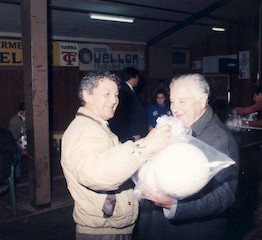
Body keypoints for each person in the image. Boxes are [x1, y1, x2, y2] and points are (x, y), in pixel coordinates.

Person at [60, 71, 172, 240]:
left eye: (116, 94)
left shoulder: (96, 126)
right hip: (104, 232)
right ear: (87, 95)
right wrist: (145, 146)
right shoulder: (85, 130)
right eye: (107, 94)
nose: (114, 100)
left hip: (109, 226)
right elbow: (97, 174)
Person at [136, 73, 239, 240]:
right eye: (173, 101)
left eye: (182, 101)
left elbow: (224, 196)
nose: (175, 108)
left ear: (203, 99)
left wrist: (174, 205)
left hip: (189, 231)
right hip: (154, 226)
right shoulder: (172, 127)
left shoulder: (220, 138)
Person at [109, 67, 148, 142]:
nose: (138, 80)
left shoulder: (127, 90)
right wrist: (135, 132)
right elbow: (127, 114)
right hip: (130, 134)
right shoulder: (124, 91)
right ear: (133, 78)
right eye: (137, 78)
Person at [9, 101, 26, 181]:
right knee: (17, 153)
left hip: (28, 141)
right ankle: (17, 175)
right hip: (18, 142)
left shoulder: (31, 118)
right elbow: (12, 135)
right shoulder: (14, 120)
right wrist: (18, 142)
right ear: (21, 111)